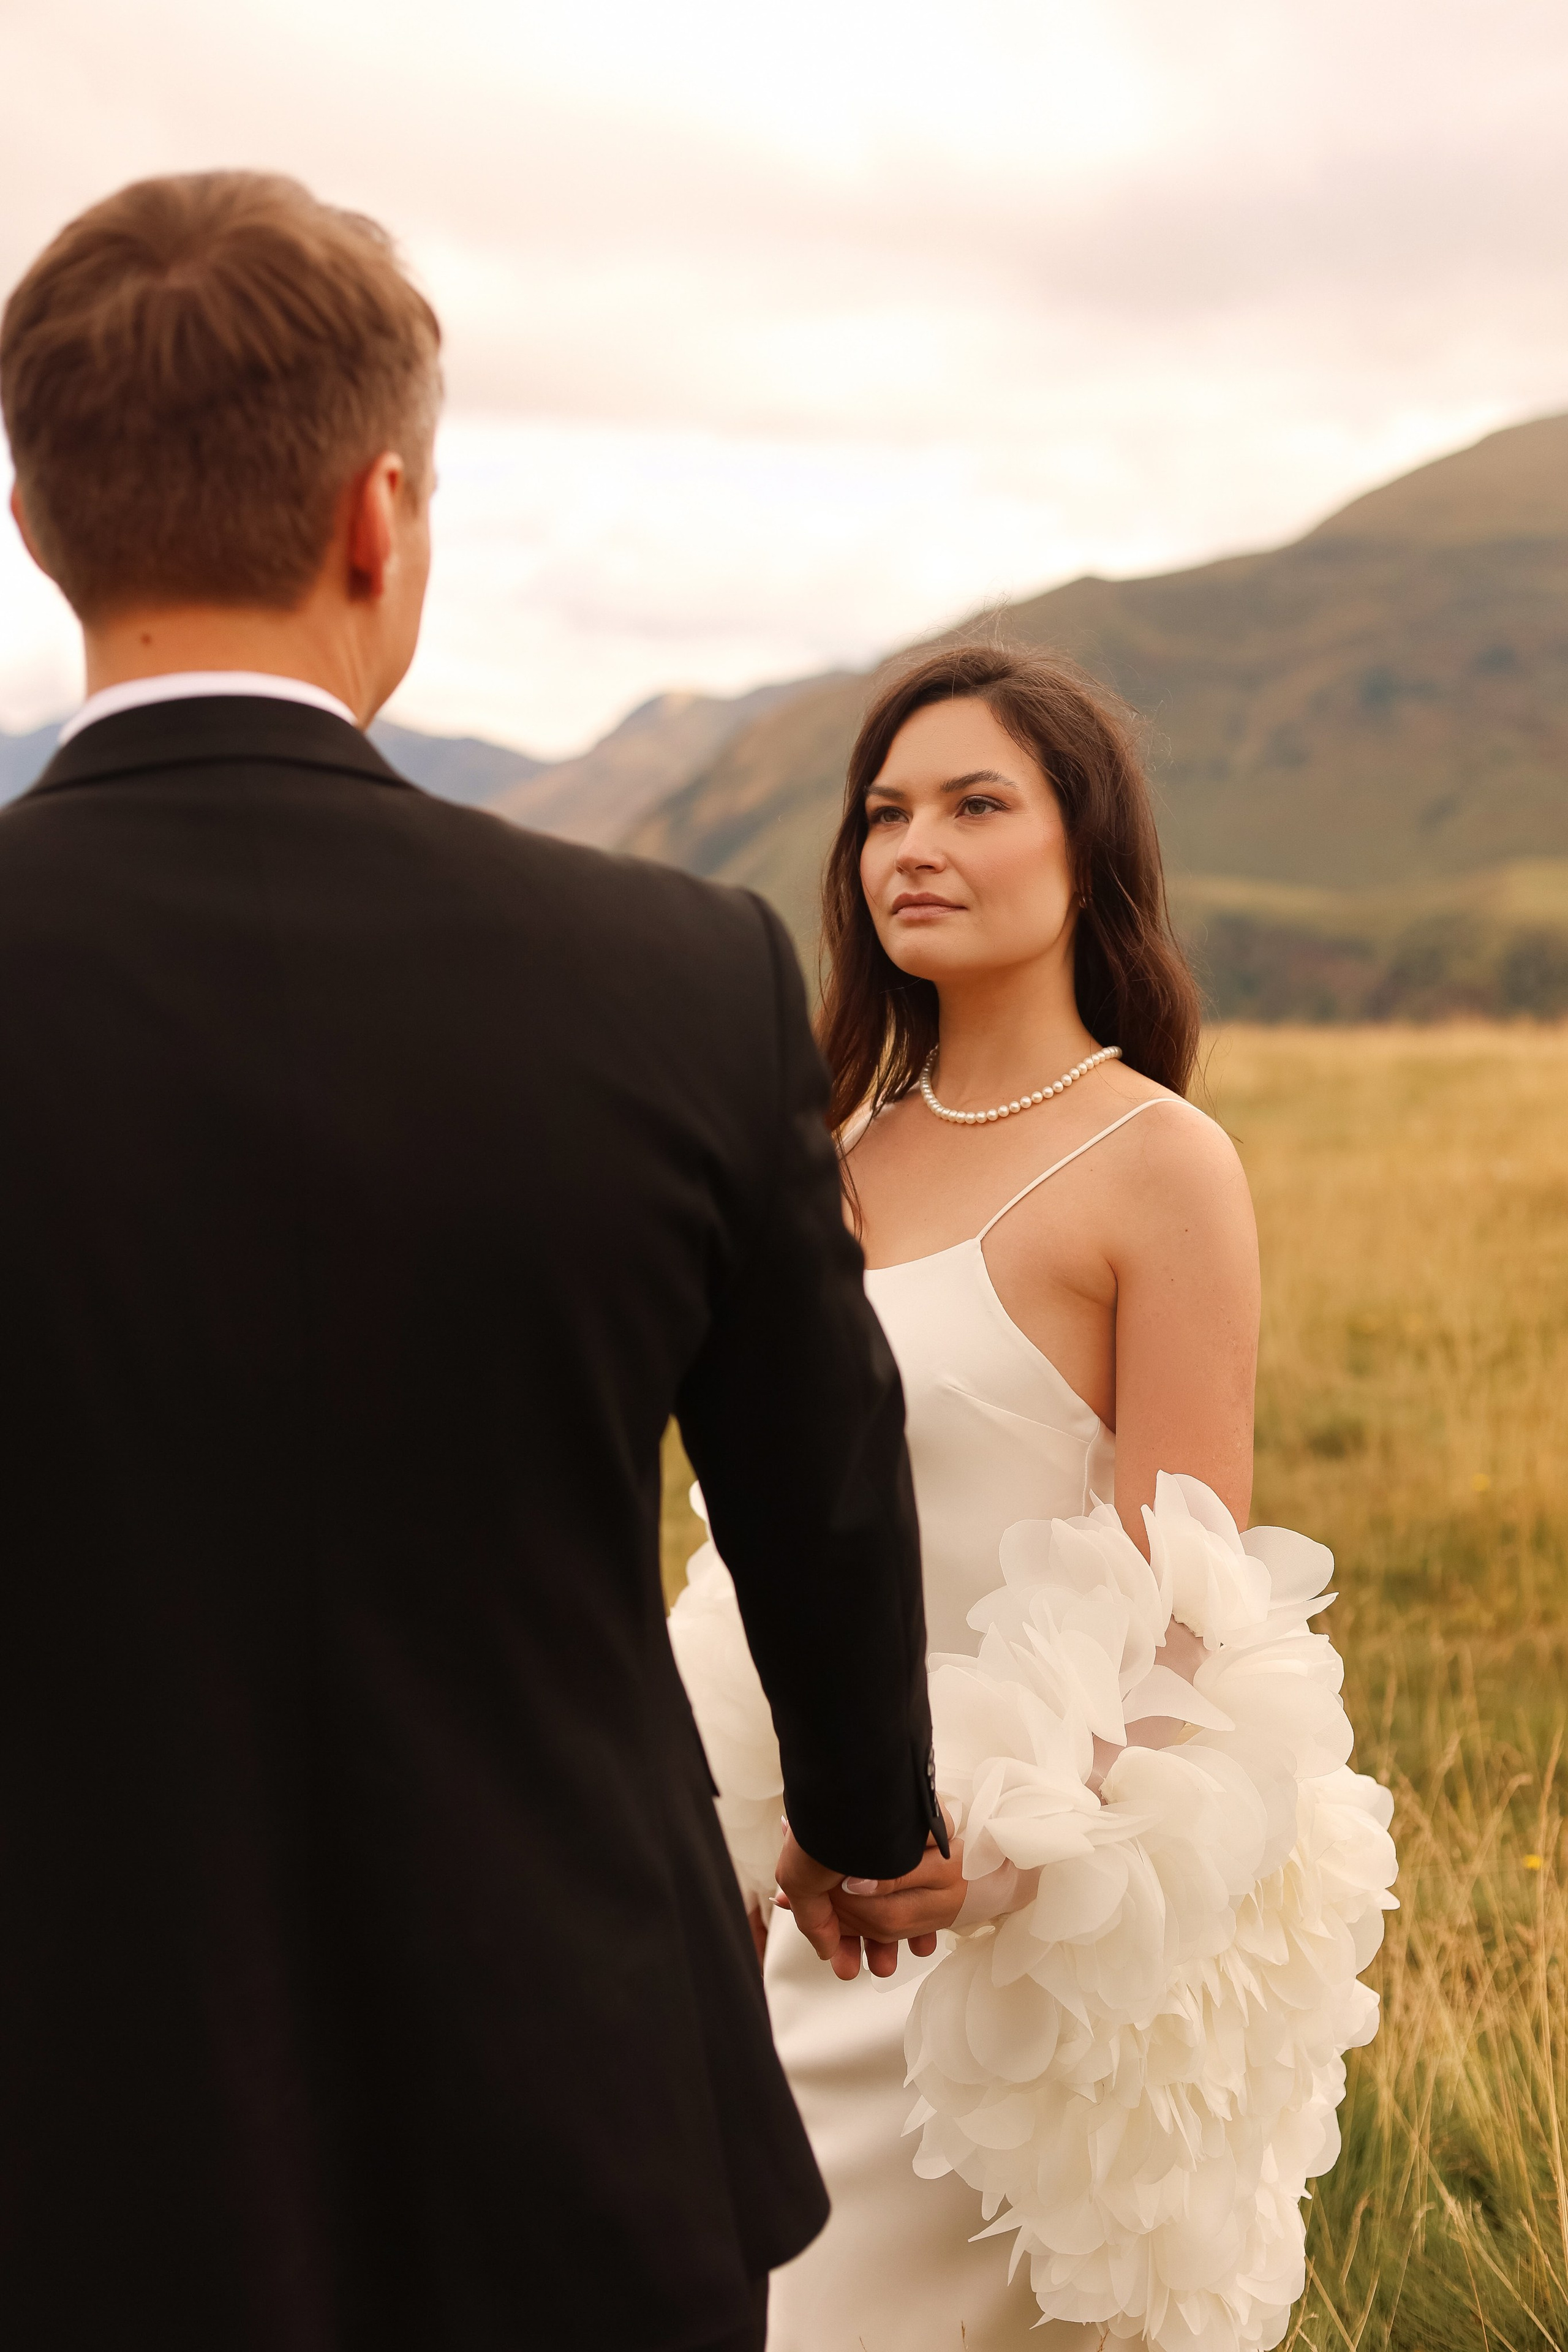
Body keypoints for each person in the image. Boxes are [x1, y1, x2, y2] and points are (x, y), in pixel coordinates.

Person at [0, 172, 946, 2352]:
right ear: (378, 516)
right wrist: (868, 1815)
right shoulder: (674, 973)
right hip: (570, 2091)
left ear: (40, 526)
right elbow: (821, 1484)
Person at [670, 644, 1398, 2351]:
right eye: (883, 812)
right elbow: (738, 1541)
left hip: (993, 1914)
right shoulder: (815, 1151)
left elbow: (1186, 1598)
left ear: (1087, 853)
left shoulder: (1156, 1163)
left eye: (975, 805)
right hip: (748, 1874)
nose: (912, 844)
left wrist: (991, 1861)